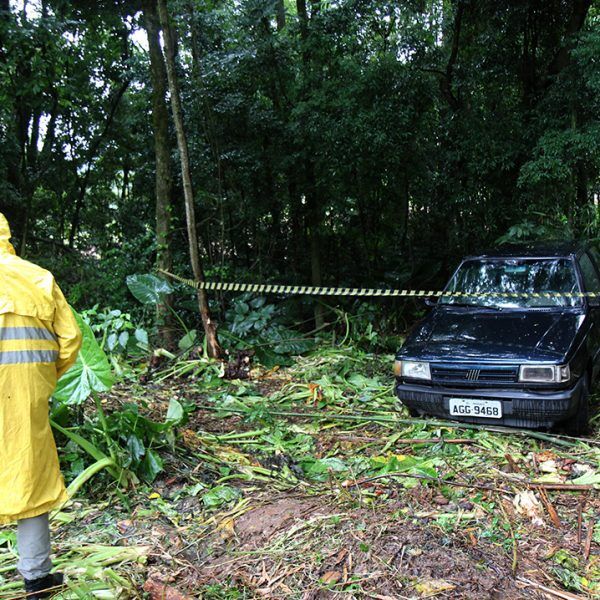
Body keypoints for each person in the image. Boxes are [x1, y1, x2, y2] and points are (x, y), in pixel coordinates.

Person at [0, 213, 82, 598]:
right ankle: (36, 582)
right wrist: (41, 382)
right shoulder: (37, 278)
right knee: (30, 486)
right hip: (24, 401)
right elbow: (70, 340)